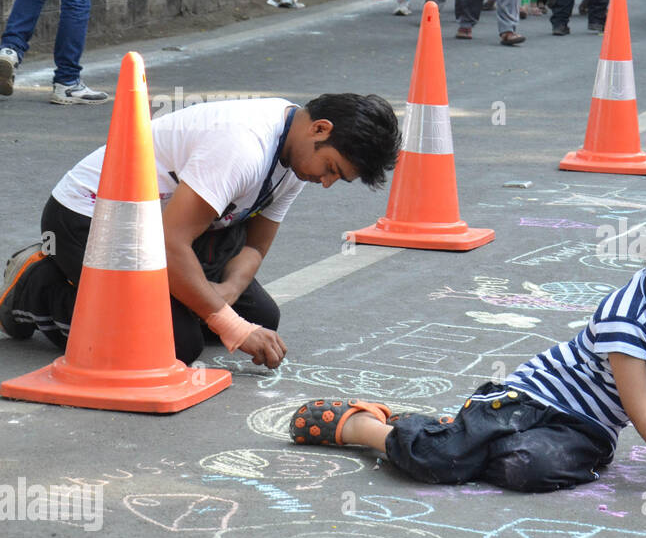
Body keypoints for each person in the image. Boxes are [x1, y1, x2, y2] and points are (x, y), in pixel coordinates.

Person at [285, 197, 646, 504]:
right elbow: (645, 416)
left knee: (528, 468)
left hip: (585, 430)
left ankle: (462, 434)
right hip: (531, 401)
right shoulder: (626, 315)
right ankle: (366, 426)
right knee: (439, 462)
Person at [0, 95, 402, 367]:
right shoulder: (242, 145)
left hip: (177, 225)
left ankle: (167, 300)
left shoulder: (297, 159)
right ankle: (36, 285)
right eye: (331, 169)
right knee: (176, 344)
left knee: (264, 317)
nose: (327, 182)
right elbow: (168, 244)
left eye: (339, 178)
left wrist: (225, 296)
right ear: (320, 129)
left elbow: (257, 246)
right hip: (92, 217)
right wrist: (228, 322)